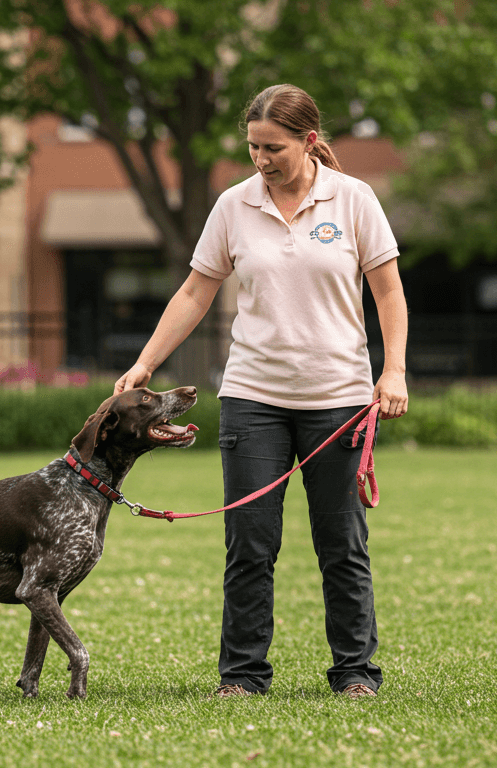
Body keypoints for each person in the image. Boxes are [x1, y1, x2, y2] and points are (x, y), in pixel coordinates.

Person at [113, 83, 409, 700]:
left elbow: (388, 292)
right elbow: (195, 292)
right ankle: (243, 675)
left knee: (342, 545)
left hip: (339, 399)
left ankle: (355, 672)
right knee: (249, 545)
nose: (261, 159)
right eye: (253, 146)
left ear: (308, 140)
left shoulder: (353, 199)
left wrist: (395, 371)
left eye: (273, 147)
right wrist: (145, 363)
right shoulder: (234, 205)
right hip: (253, 399)